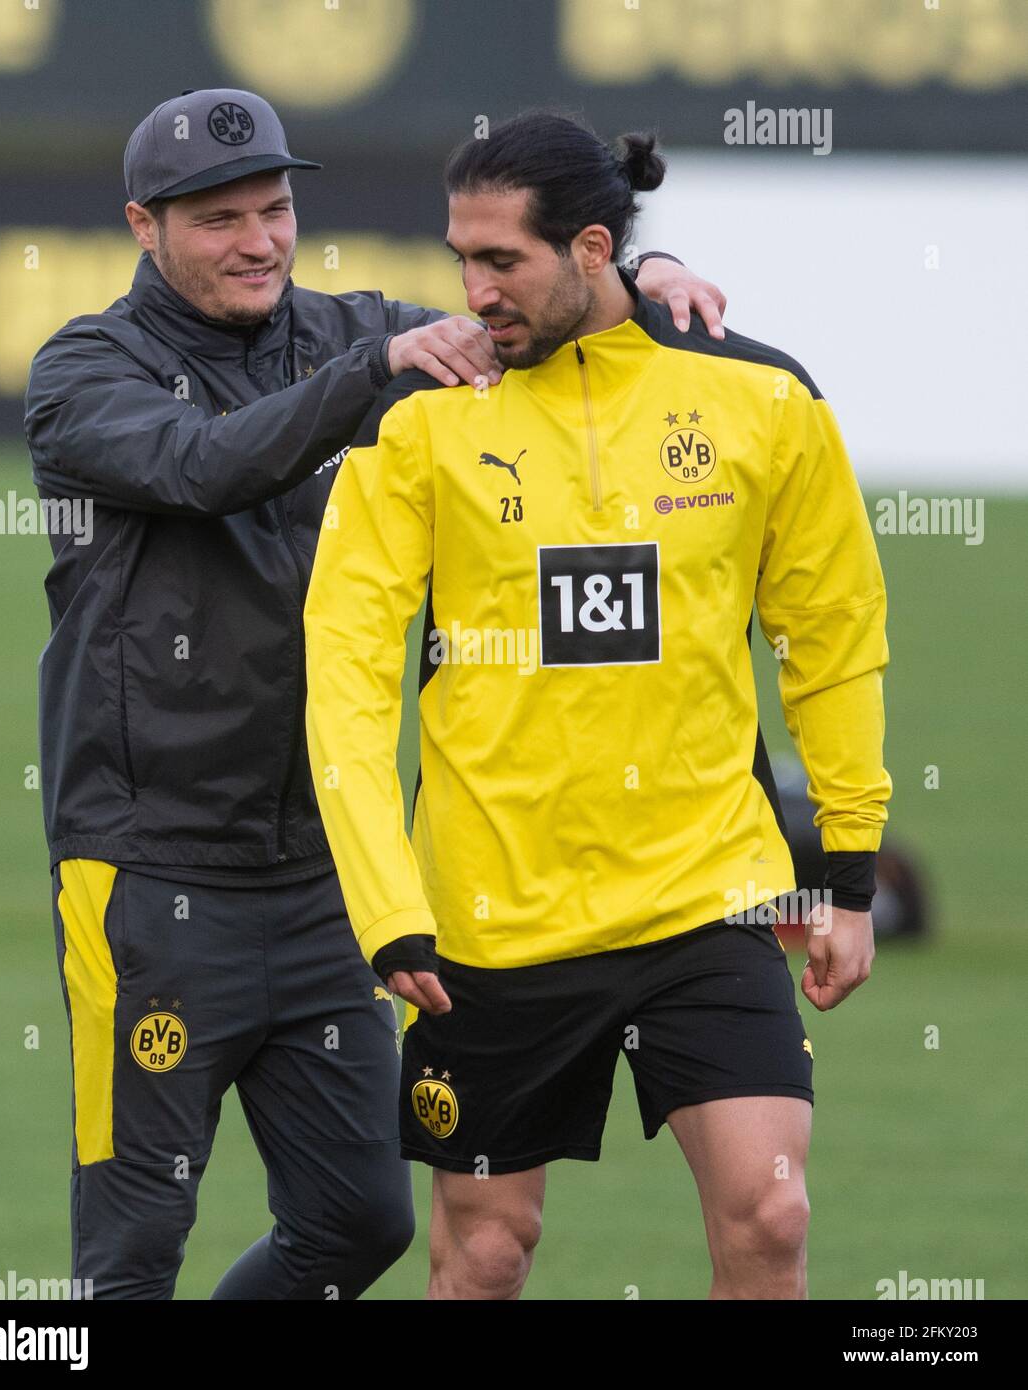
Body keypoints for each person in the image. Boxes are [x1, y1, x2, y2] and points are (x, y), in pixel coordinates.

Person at [23, 87, 726, 1300]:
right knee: (130, 1255)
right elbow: (200, 466)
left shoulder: (353, 329)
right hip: (147, 875)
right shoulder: (82, 367)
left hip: (326, 883)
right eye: (217, 220)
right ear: (144, 227)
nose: (257, 240)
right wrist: (376, 373)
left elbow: (533, 309)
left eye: (275, 208)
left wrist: (645, 265)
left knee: (357, 1225)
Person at [303, 112, 893, 1300]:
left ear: (587, 250)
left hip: (705, 894)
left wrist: (845, 866)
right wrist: (386, 906)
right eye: (459, 260)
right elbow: (347, 679)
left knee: (771, 1213)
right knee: (484, 1253)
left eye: (499, 262)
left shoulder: (763, 398)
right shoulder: (418, 412)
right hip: (489, 912)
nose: (471, 292)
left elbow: (828, 638)